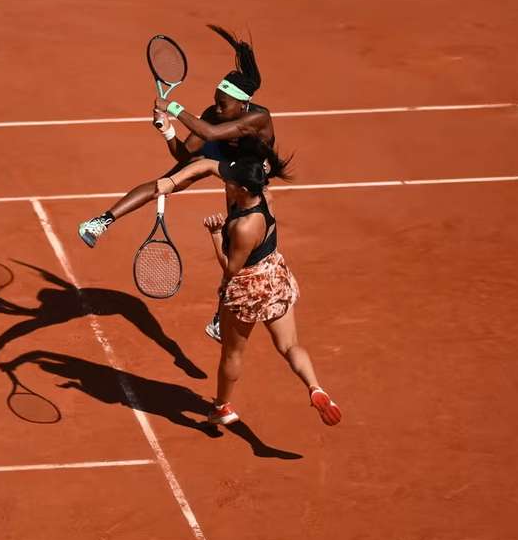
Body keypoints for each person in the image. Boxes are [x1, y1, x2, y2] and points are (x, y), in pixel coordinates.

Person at [156, 150, 343, 427]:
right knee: (290, 345)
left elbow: (231, 268)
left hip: (248, 290)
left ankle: (221, 407)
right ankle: (315, 387)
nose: (226, 183)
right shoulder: (266, 196)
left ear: (242, 189)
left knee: (232, 354)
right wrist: (173, 181)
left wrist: (216, 234)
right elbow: (213, 166)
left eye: (230, 182)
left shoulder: (243, 227)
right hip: (276, 278)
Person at [77, 24, 275, 250]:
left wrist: (172, 106)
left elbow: (209, 133)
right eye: (215, 101)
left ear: (243, 105)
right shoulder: (214, 114)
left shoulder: (258, 118)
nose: (217, 109)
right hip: (222, 159)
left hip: (248, 172)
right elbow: (182, 154)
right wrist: (167, 130)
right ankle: (100, 222)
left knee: (241, 235)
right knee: (165, 183)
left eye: (223, 105)